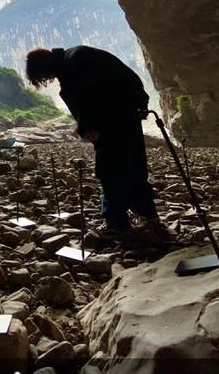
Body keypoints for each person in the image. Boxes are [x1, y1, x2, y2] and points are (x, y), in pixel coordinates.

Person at [26, 45, 159, 235]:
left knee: (110, 170)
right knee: (135, 164)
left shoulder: (72, 67)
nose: (48, 80)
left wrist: (88, 127)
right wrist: (140, 104)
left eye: (44, 76)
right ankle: (148, 214)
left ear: (44, 68)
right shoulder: (76, 56)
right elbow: (123, 78)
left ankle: (117, 222)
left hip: (112, 120)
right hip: (129, 113)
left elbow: (89, 98)